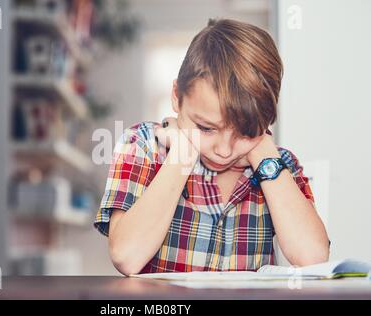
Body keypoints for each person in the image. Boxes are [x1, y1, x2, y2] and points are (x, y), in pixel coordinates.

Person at [94, 18, 330, 276]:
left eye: (247, 132)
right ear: (176, 96)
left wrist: (264, 153)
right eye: (206, 128)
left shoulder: (277, 164)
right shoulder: (142, 144)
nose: (225, 151)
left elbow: (313, 260)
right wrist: (181, 157)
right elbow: (127, 257)